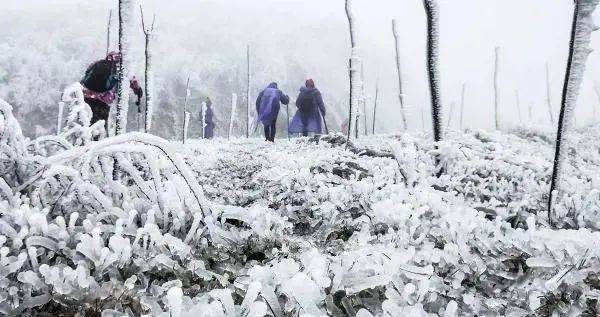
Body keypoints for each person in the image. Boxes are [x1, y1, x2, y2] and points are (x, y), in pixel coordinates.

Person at [80, 51, 143, 134]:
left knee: (85, 123)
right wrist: (138, 91)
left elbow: (84, 78)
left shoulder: (97, 64)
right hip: (103, 102)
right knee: (100, 127)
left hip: (86, 98)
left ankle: (83, 142)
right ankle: (97, 143)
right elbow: (133, 82)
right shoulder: (121, 69)